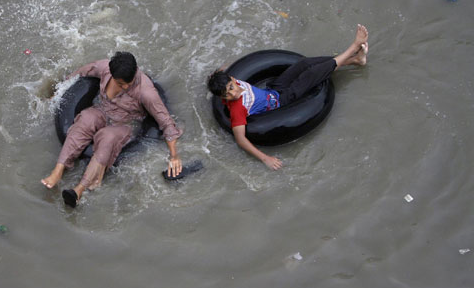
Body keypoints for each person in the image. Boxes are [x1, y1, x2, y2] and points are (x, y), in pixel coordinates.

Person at [207, 24, 369, 171]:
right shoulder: (238, 109)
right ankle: (353, 47)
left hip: (274, 89)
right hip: (282, 102)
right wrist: (265, 159)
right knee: (312, 74)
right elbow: (240, 140)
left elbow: (222, 73)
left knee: (304, 65)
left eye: (231, 88)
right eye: (226, 95)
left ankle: (356, 60)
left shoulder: (233, 79)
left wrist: (219, 70)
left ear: (233, 80)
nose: (232, 94)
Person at [42, 52, 183, 207]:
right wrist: (57, 93)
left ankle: (79, 189)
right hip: (102, 111)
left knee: (107, 137)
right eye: (121, 84)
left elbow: (166, 123)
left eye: (129, 83)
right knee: (86, 118)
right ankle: (58, 170)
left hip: (124, 124)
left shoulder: (146, 91)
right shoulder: (104, 68)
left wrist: (174, 155)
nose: (126, 87)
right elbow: (81, 72)